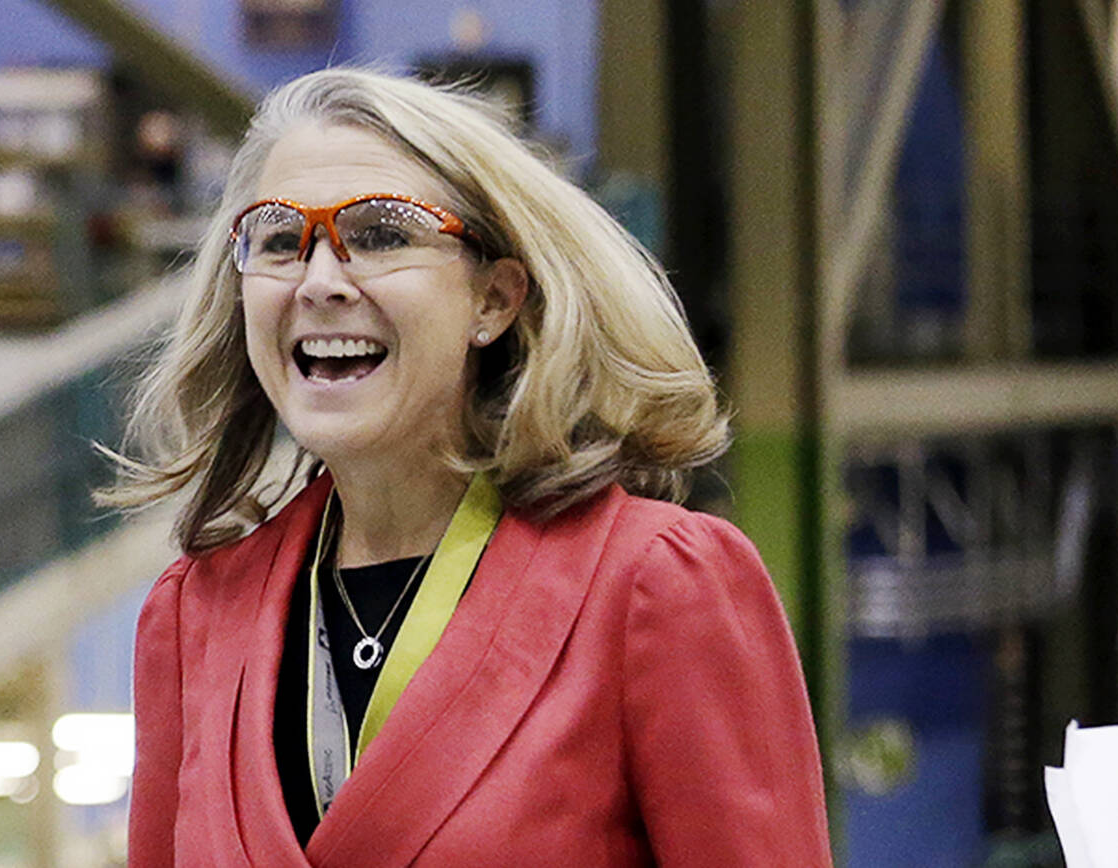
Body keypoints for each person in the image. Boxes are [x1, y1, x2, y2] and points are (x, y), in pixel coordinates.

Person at [105, 67, 833, 867]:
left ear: (494, 300)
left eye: (381, 233)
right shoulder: (194, 618)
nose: (318, 281)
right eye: (279, 239)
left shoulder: (652, 585)